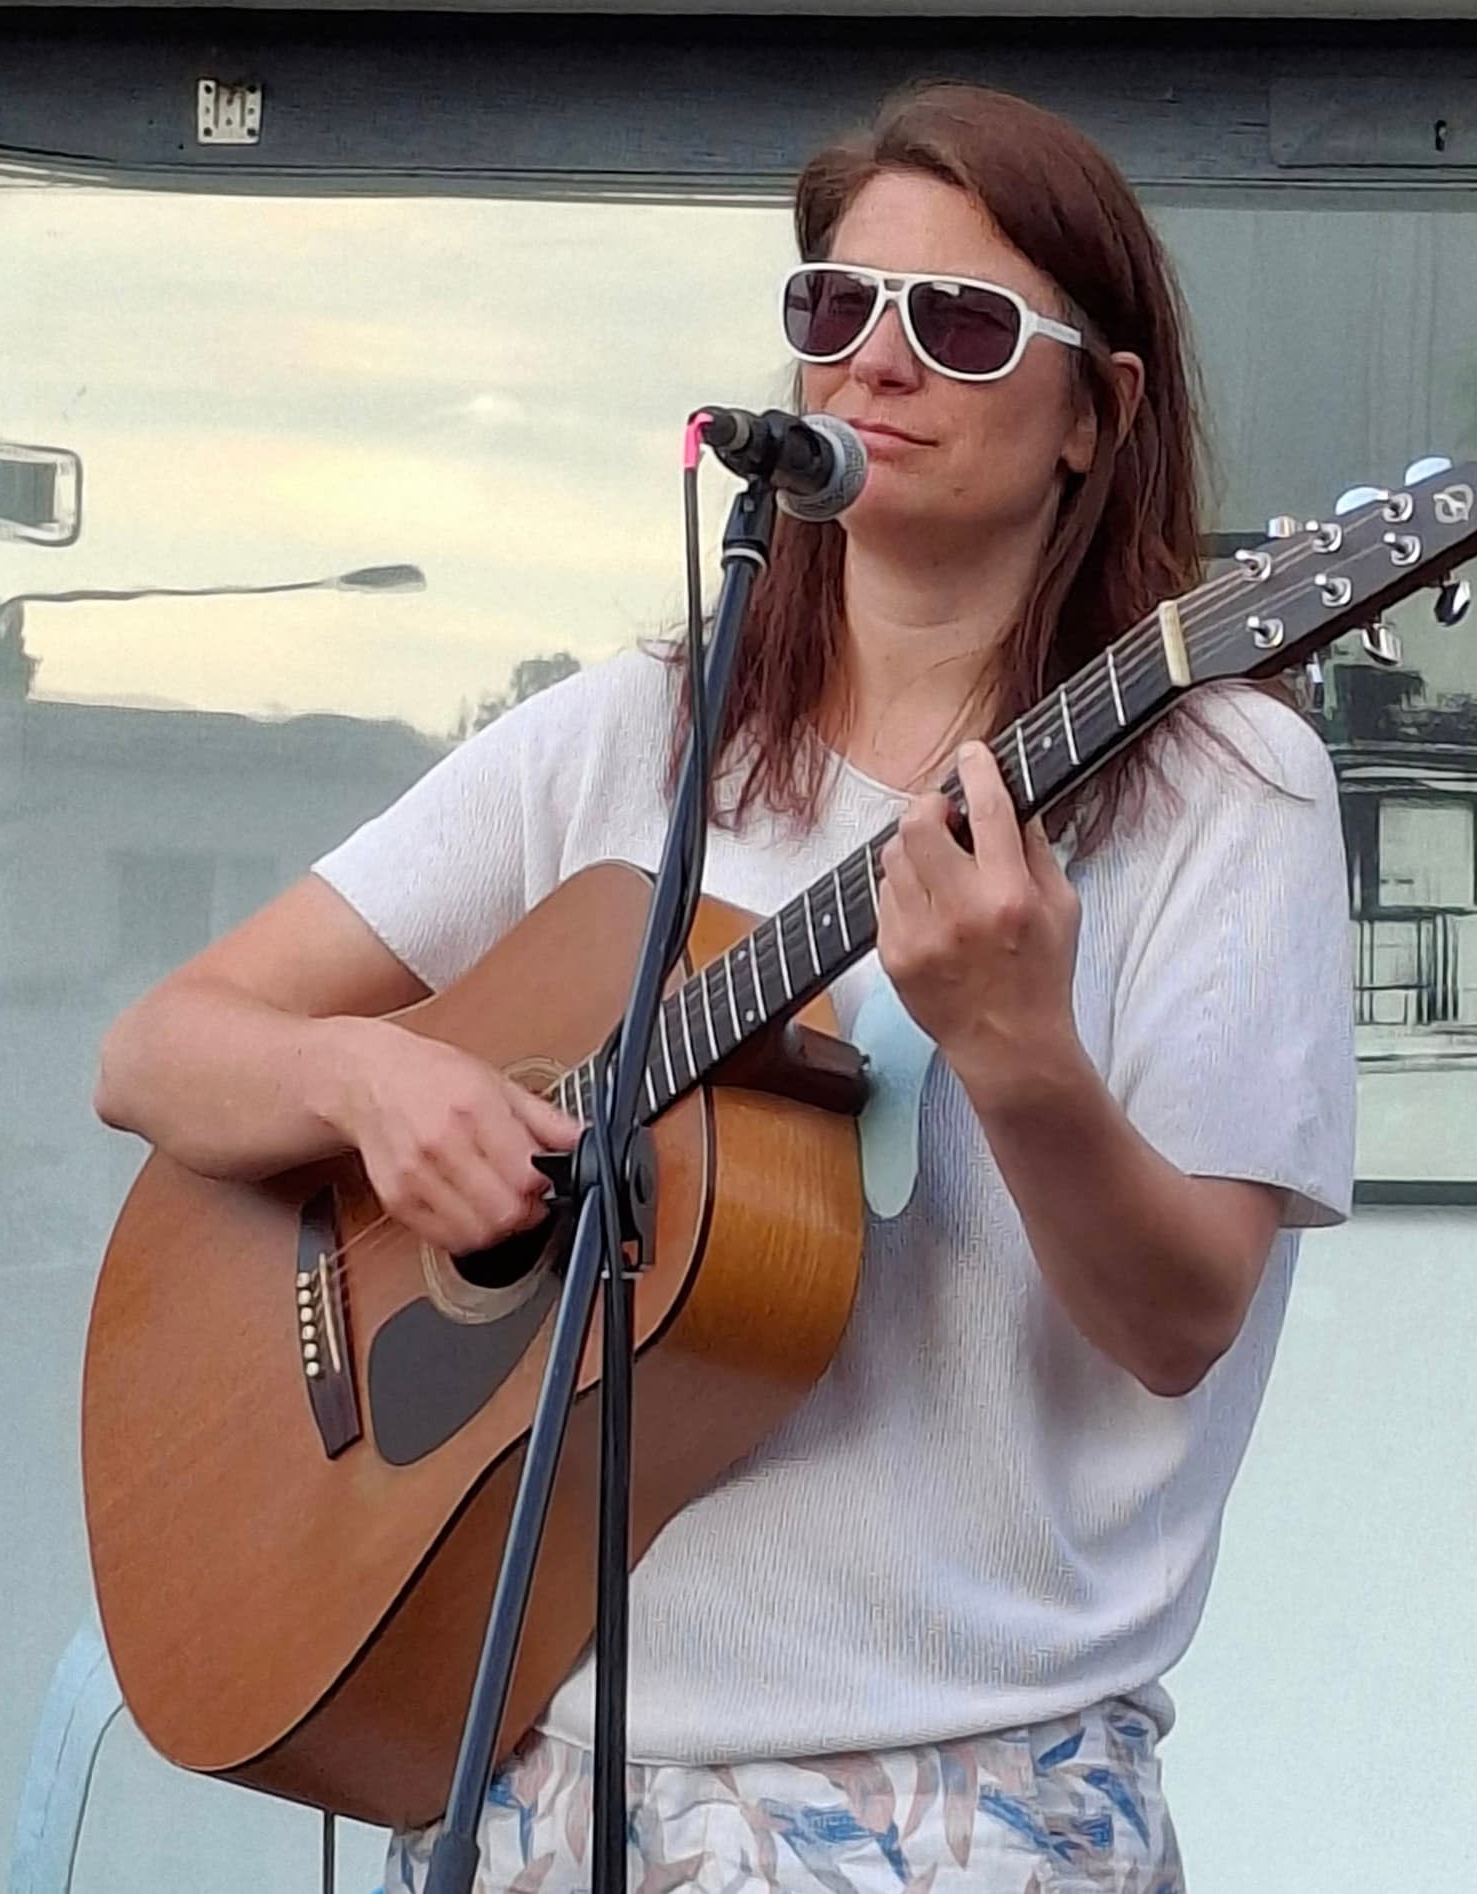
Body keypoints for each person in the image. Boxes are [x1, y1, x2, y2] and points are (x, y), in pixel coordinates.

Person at [94, 81, 1354, 1893]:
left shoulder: (1222, 785)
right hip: (536, 1787)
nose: (877, 362)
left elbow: (1178, 1321)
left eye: (962, 324)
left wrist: (1018, 1053)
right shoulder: (631, 738)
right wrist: (373, 1085)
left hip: (966, 1800)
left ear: (1098, 409)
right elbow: (159, 1048)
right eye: (835, 306)